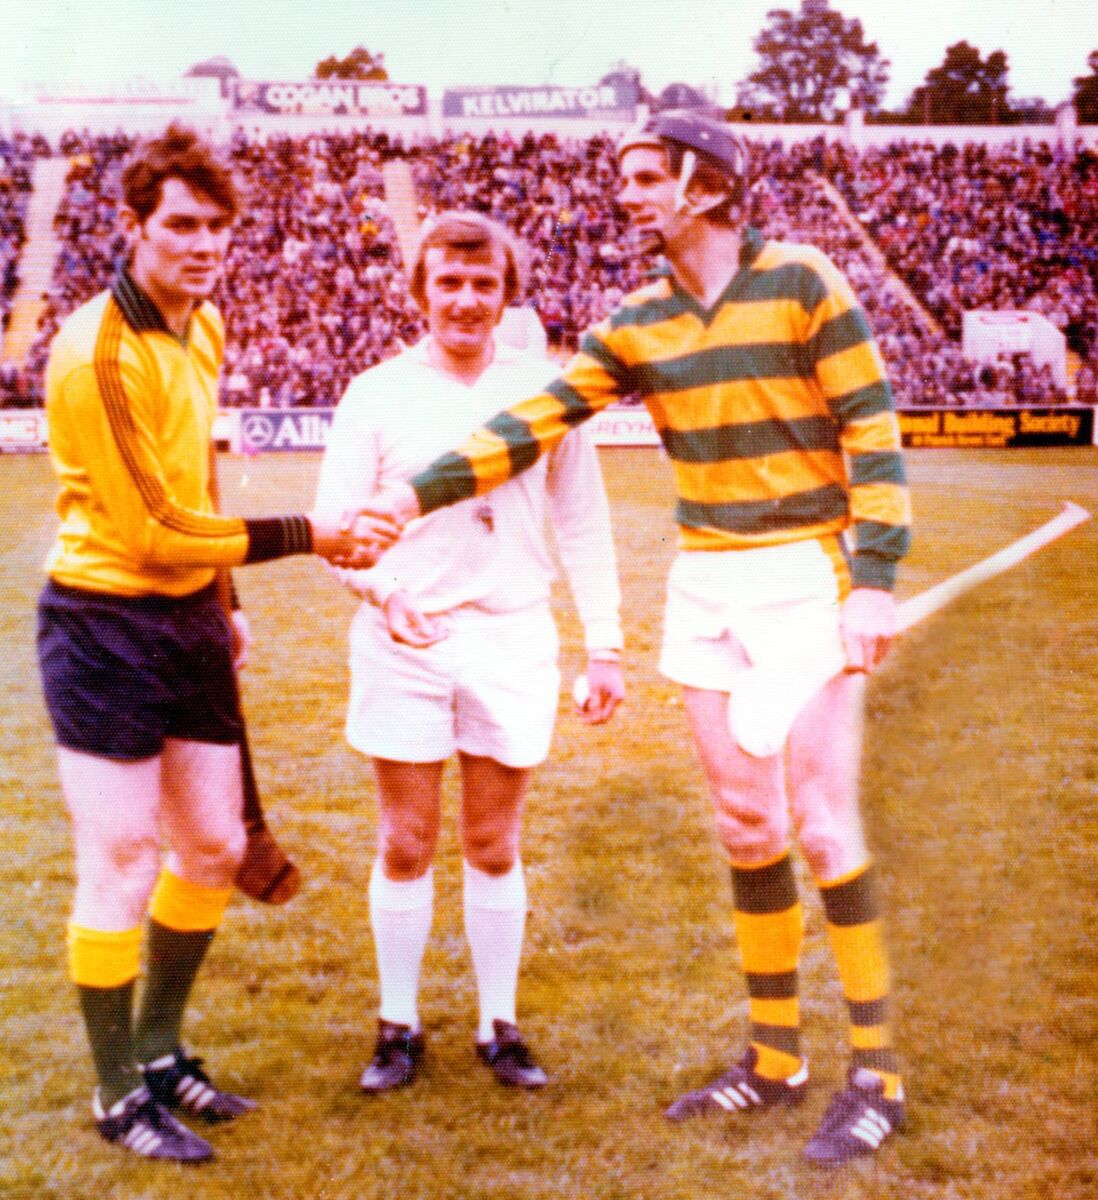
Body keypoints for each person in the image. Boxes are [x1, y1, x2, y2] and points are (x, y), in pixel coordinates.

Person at [362, 113, 912, 1166]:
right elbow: (530, 424)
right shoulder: (636, 321)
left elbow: (873, 427)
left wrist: (874, 580)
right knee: (747, 827)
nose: (624, 193)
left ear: (704, 186)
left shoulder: (803, 280)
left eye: (644, 176)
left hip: (807, 573)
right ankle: (776, 1058)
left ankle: (878, 1075)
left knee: (828, 830)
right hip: (704, 578)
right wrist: (413, 492)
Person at [36, 125, 393, 1163]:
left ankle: (159, 1052)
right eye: (180, 225)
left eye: (217, 228)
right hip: (104, 623)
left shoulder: (205, 326)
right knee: (122, 859)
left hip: (189, 614)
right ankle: (115, 1095)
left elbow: (194, 486)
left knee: (214, 847)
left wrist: (227, 596)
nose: (201, 245)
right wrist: (312, 535)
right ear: (133, 226)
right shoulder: (98, 349)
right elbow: (148, 528)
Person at [313, 211, 625, 1094]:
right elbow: (336, 530)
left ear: (504, 294)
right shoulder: (374, 391)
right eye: (447, 282)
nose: (465, 299)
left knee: (492, 842)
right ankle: (397, 1025)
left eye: (483, 283)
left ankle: (499, 1024)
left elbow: (584, 520)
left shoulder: (545, 392)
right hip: (402, 638)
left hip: (513, 635)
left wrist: (605, 644)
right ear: (420, 292)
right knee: (406, 842)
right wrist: (384, 592)